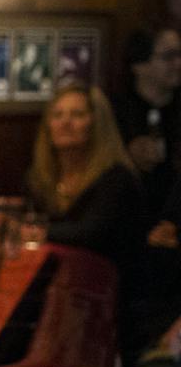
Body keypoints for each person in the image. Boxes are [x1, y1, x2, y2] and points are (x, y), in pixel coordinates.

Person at [26, 84, 146, 350]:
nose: (65, 123)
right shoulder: (43, 178)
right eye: (57, 115)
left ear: (96, 124)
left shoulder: (116, 179)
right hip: (63, 299)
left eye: (77, 114)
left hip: (110, 306)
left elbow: (90, 233)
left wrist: (35, 233)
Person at [110, 24, 181, 222]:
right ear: (139, 65)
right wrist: (124, 155)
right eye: (169, 56)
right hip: (125, 223)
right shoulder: (113, 112)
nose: (178, 63)